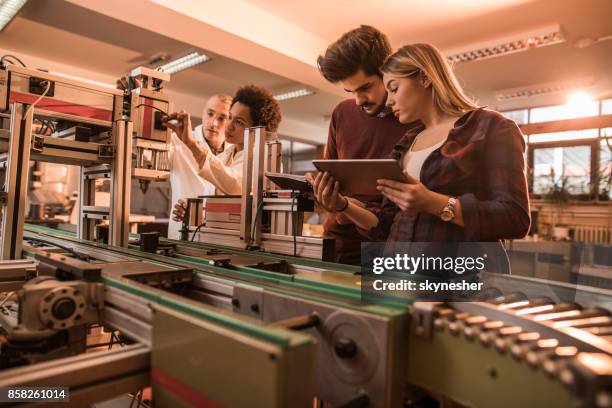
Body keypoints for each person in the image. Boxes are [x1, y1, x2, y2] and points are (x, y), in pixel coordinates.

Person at [313, 43, 530, 250]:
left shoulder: (490, 127)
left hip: (460, 277)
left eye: (394, 88)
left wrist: (432, 203)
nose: (388, 102)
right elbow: (386, 226)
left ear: (425, 77)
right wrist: (343, 206)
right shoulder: (406, 143)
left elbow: (515, 218)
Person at [313, 25, 417, 264]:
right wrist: (329, 200)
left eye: (365, 88)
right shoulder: (342, 113)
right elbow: (330, 177)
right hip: (340, 243)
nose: (359, 100)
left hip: (392, 246)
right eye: (350, 91)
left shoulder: (414, 117)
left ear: (388, 71)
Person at [170, 84, 282, 221]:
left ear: (257, 130)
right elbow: (214, 201)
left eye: (239, 122)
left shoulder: (265, 159)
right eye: (230, 117)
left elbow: (235, 185)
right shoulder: (225, 156)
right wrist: (194, 210)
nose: (229, 125)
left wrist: (191, 144)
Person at [166, 94, 232, 239]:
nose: (213, 123)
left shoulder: (234, 151)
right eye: (210, 114)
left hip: (218, 238)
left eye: (222, 118)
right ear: (203, 114)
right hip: (181, 236)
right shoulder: (178, 141)